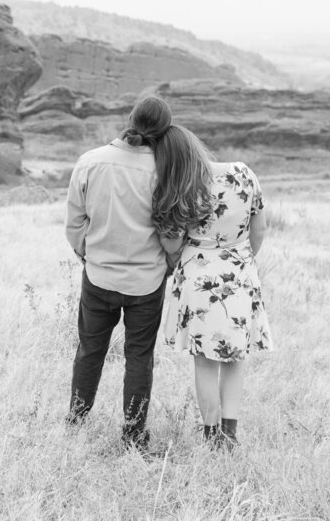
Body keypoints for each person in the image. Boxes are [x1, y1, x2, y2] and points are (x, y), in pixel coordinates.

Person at [64, 95, 177, 451]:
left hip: (98, 277)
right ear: (164, 131)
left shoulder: (90, 162)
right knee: (139, 357)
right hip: (147, 282)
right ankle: (133, 434)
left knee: (89, 351)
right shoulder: (164, 172)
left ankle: (77, 419)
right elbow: (170, 232)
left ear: (130, 119)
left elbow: (74, 223)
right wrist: (169, 264)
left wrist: (89, 255)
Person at [153, 125, 272, 450]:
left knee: (204, 361)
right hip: (239, 273)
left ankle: (210, 434)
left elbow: (173, 242)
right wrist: (239, 261)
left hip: (197, 278)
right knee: (235, 357)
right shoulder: (243, 173)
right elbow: (258, 228)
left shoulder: (178, 185)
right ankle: (230, 433)